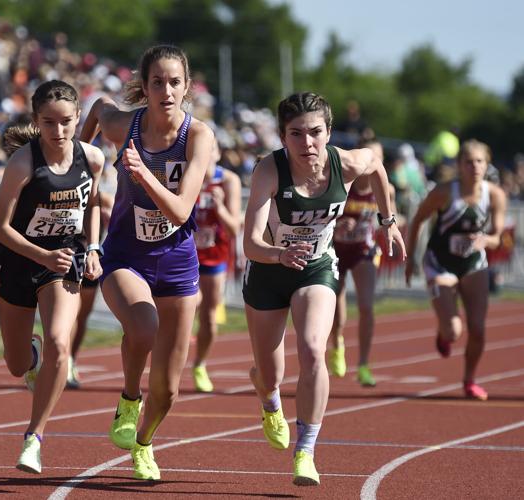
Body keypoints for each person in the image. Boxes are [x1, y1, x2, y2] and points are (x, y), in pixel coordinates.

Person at [242, 92, 406, 486]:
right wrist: (279, 254)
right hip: (268, 269)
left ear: (329, 133)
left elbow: (378, 169)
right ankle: (269, 400)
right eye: (296, 134)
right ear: (283, 137)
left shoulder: (346, 163)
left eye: (315, 133)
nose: (307, 144)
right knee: (270, 372)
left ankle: (306, 451)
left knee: (314, 347)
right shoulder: (269, 171)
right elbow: (249, 244)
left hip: (315, 267)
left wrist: (389, 222)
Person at [79, 44, 213, 481]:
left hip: (177, 261)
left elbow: (180, 211)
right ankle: (128, 399)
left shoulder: (199, 136)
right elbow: (99, 107)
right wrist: (78, 161)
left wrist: (142, 174)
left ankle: (144, 442)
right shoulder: (127, 126)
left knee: (170, 389)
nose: (167, 90)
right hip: (125, 256)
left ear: (187, 87)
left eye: (175, 82)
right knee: (142, 327)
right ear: (146, 86)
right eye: (158, 82)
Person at [0, 80, 105, 474]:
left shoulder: (92, 158)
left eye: (67, 122)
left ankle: (34, 437)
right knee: (17, 365)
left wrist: (92, 247)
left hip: (64, 263)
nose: (59, 132)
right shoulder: (23, 162)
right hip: (19, 260)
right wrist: (42, 254)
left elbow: (93, 204)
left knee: (61, 339)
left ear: (77, 119)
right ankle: (32, 354)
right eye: (49, 123)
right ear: (37, 122)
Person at [405, 139, 506, 401]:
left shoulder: (494, 195)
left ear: (487, 164)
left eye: (479, 161)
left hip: (473, 263)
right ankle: (443, 331)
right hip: (440, 262)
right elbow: (417, 220)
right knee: (454, 331)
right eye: (468, 161)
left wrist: (486, 241)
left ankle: (470, 379)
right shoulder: (444, 192)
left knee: (478, 328)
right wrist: (410, 259)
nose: (474, 166)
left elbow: (497, 236)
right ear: (460, 165)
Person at [327, 139, 394, 388]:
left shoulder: (386, 188)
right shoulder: (344, 184)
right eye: (367, 157)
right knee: (337, 309)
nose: (370, 163)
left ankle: (364, 364)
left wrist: (392, 229)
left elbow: (392, 216)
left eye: (376, 158)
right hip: (336, 249)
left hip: (364, 250)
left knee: (366, 306)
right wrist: (338, 225)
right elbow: (324, 217)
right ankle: (337, 342)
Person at [191, 139, 242, 392]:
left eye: (210, 150)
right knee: (191, 302)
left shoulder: (229, 181)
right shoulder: (185, 175)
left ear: (218, 153)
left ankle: (199, 364)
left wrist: (219, 205)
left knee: (209, 318)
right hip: (186, 253)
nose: (206, 156)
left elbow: (233, 228)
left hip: (215, 255)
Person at [66, 189, 114, 389]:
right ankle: (64, 361)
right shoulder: (68, 191)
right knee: (71, 314)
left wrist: (108, 216)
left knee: (82, 316)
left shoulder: (101, 197)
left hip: (91, 260)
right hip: (70, 255)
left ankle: (72, 359)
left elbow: (116, 220)